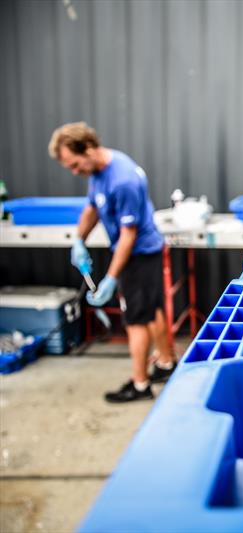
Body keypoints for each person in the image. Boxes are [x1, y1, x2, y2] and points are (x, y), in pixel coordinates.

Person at [49, 122, 176, 403]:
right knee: (152, 310)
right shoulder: (97, 170)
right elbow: (93, 207)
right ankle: (166, 363)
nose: (74, 171)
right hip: (137, 252)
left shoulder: (123, 180)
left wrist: (110, 278)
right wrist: (79, 240)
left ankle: (140, 385)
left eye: (75, 164)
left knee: (135, 320)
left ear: (90, 148)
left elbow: (128, 236)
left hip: (139, 255)